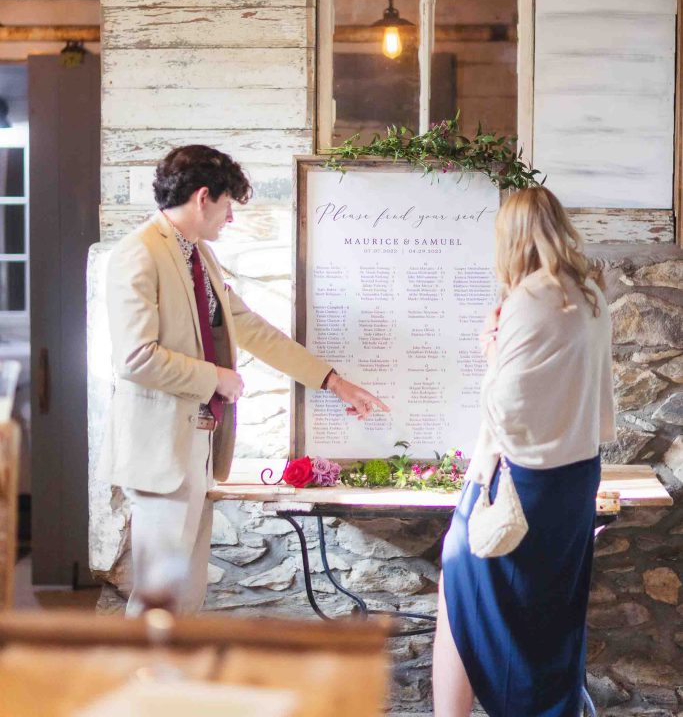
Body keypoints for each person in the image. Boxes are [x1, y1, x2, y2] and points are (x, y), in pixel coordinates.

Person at [98, 144, 388, 614]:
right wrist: (215, 377)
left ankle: (175, 685)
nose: (229, 219)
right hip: (157, 452)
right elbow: (135, 357)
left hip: (196, 447)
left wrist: (333, 381)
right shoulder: (138, 254)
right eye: (228, 207)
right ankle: (142, 686)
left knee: (187, 594)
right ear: (203, 198)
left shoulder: (201, 257)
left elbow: (251, 328)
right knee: (157, 598)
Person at [433, 186, 616, 717]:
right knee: (547, 611)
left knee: (463, 581)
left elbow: (506, 406)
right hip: (575, 475)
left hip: (521, 478)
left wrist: (490, 351)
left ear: (510, 237)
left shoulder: (530, 297)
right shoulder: (589, 294)